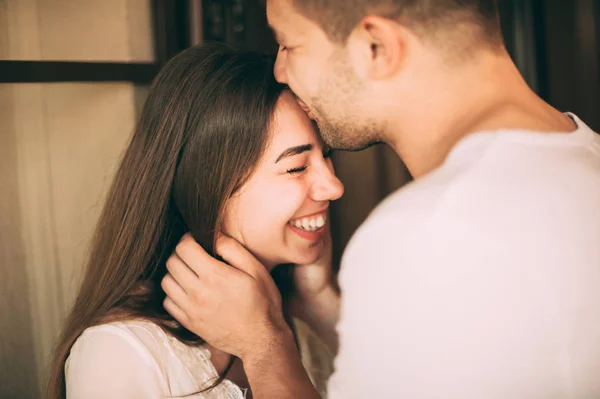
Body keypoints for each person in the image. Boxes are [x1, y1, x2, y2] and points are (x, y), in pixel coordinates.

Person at [162, 0, 600, 398]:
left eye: (289, 45)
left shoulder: (430, 230)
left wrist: (264, 349)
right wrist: (325, 307)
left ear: (376, 47)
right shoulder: (587, 159)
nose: (279, 71)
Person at [46, 43, 344, 399]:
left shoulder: (304, 331)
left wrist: (320, 302)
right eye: (296, 167)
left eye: (326, 157)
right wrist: (265, 346)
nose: (334, 187)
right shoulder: (121, 353)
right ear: (206, 188)